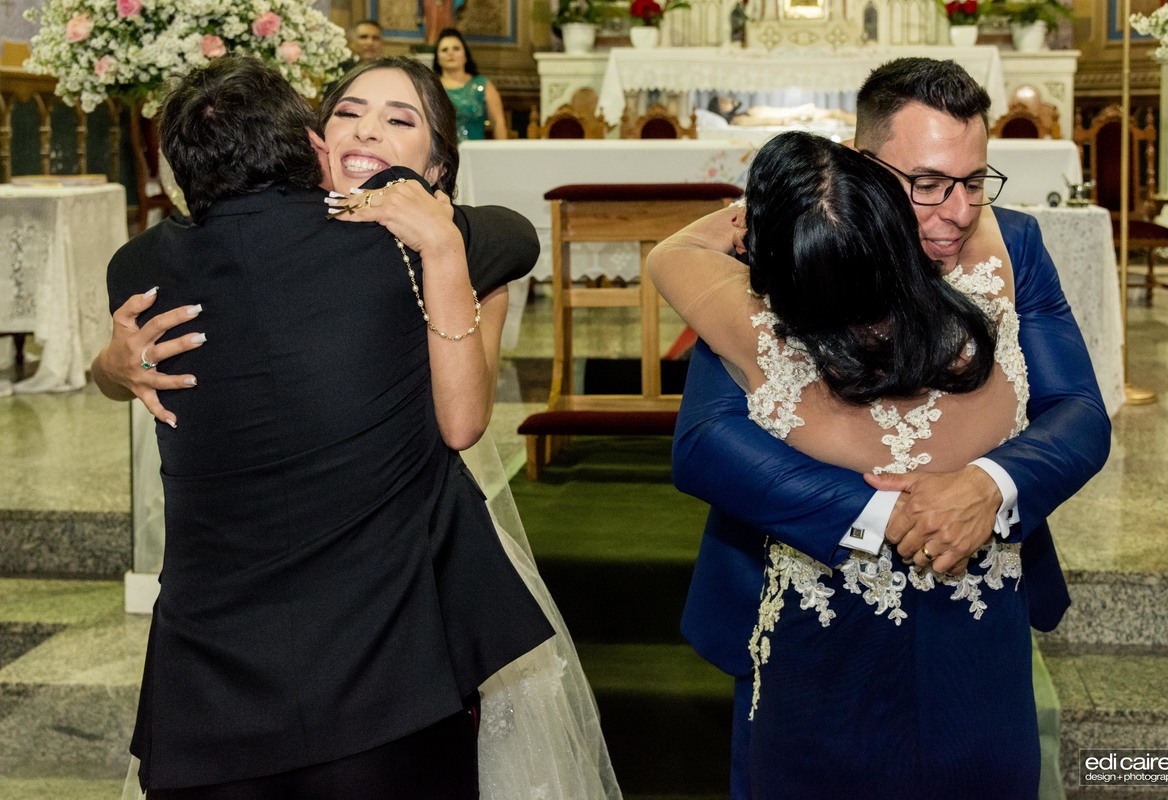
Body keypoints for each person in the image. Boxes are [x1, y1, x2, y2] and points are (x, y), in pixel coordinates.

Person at [91, 55, 567, 799]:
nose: (366, 130)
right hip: (385, 677)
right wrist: (441, 231)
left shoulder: (138, 271)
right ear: (313, 142)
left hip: (209, 693)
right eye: (347, 112)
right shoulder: (407, 247)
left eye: (398, 119)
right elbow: (515, 234)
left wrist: (105, 368)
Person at [661, 58, 1111, 798]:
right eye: (928, 183)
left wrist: (989, 485)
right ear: (862, 165)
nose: (958, 212)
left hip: (978, 600)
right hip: (813, 595)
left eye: (975, 181)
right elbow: (708, 440)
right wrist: (885, 512)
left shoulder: (1016, 246)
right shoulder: (795, 242)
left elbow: (1080, 412)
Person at [434, 28, 508, 141]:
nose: (450, 53)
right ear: (438, 58)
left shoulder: (483, 85)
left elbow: (498, 123)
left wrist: (502, 150)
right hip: (441, 151)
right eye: (444, 50)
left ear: (465, 56)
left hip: (475, 150)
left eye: (456, 48)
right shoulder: (432, 86)